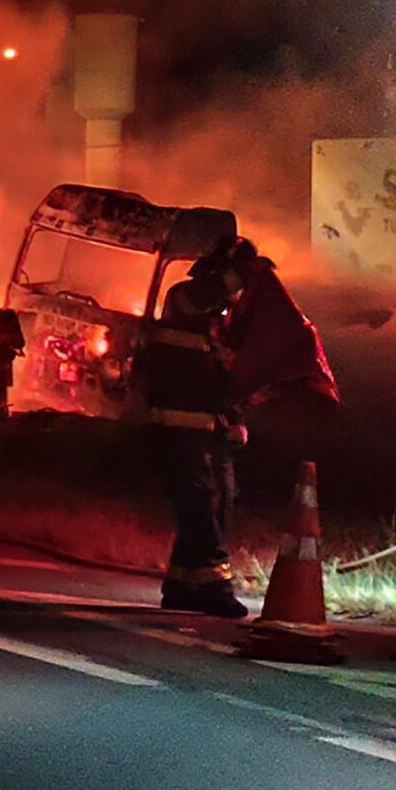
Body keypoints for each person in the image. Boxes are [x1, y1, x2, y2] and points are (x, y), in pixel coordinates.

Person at [128, 249, 249, 617]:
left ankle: (181, 584)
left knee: (217, 504)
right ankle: (216, 587)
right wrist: (241, 273)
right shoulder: (183, 297)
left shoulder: (218, 323)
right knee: (199, 505)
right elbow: (203, 297)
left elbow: (221, 377)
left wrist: (234, 419)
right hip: (177, 431)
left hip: (211, 430)